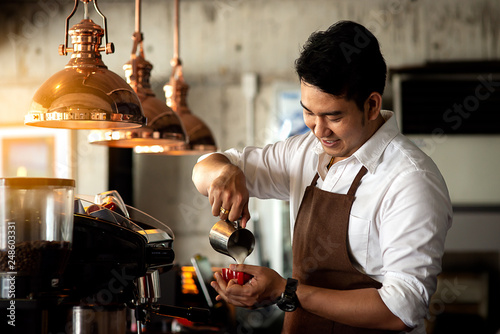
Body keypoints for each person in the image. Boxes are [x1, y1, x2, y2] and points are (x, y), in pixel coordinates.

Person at [192, 20, 452, 334]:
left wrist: (285, 291)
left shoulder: (410, 180)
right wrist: (225, 173)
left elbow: (402, 309)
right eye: (309, 112)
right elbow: (204, 168)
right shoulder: (303, 152)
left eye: (333, 116)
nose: (318, 129)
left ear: (371, 105)